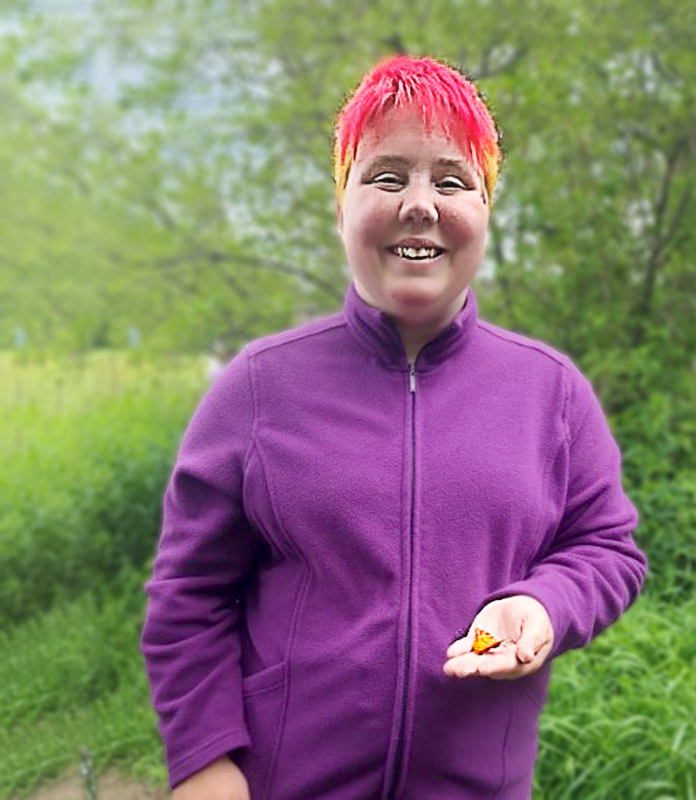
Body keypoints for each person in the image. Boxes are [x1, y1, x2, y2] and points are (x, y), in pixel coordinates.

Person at [141, 55, 647, 800]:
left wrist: (546, 603)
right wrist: (205, 758)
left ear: (485, 209)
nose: (420, 205)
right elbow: (190, 594)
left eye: (452, 181)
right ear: (340, 206)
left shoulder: (552, 393)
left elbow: (606, 549)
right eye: (386, 177)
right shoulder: (257, 388)